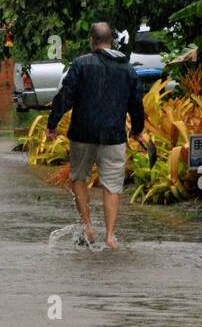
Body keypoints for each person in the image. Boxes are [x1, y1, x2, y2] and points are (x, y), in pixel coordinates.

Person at [45, 22, 147, 249]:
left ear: (92, 41)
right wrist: (138, 130)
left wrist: (52, 124)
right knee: (112, 185)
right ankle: (110, 236)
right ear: (111, 40)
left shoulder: (81, 64)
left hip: (82, 132)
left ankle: (88, 226)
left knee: (79, 177)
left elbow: (65, 96)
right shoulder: (127, 69)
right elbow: (136, 104)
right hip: (114, 136)